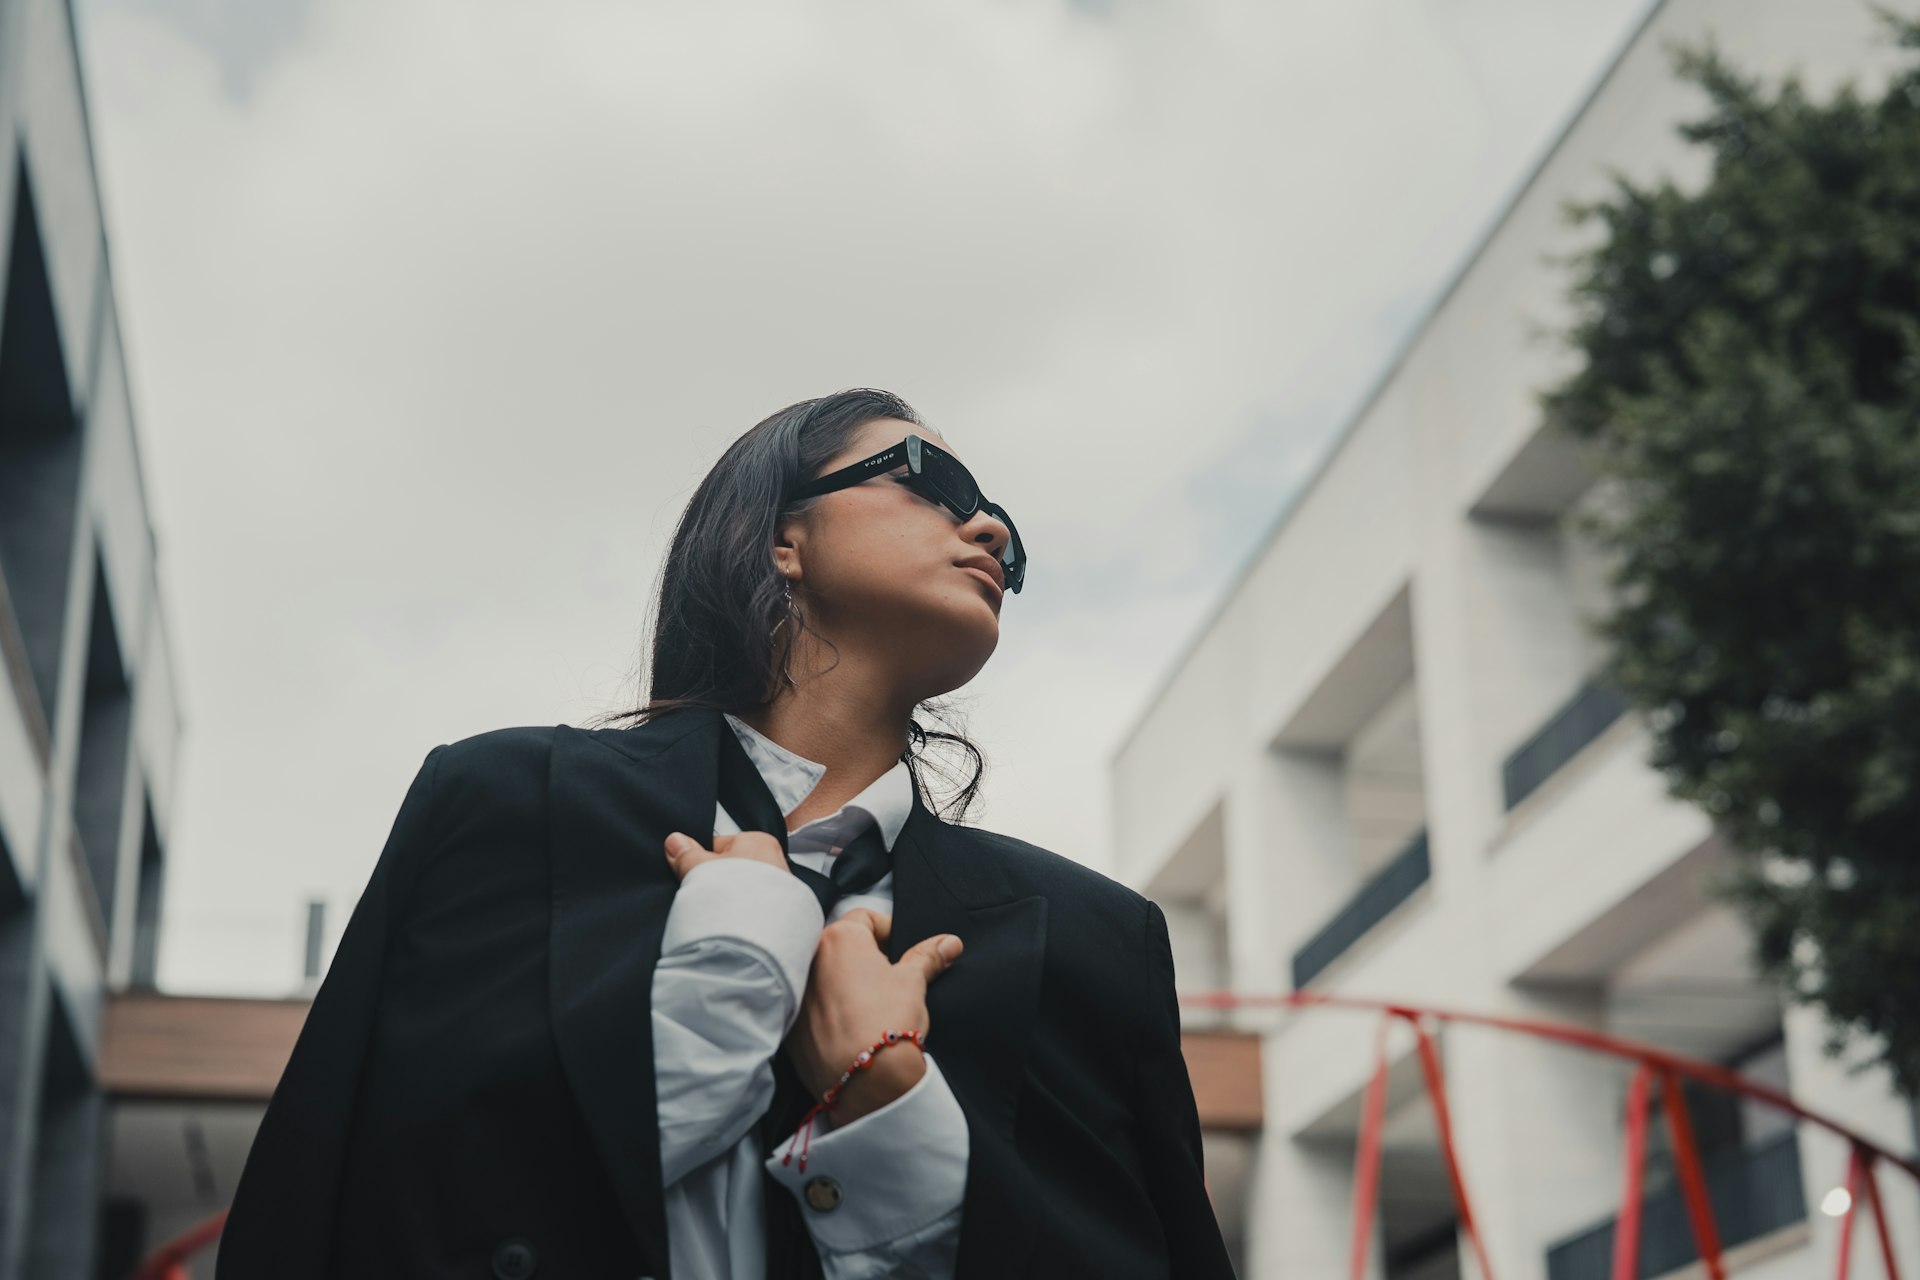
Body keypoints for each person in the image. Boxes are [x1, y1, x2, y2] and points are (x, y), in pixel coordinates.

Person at [216, 388, 1235, 1280]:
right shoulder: (502, 804)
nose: (992, 531)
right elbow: (338, 1203)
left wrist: (891, 1108)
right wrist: (733, 969)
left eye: (1004, 521)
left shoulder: (1099, 939)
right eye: (931, 478)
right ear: (780, 536)